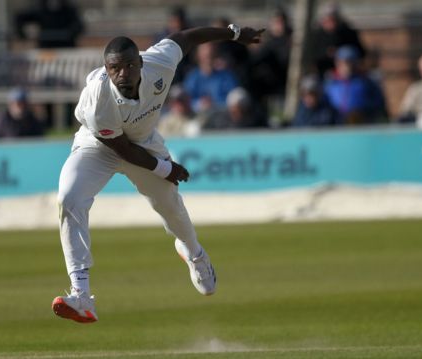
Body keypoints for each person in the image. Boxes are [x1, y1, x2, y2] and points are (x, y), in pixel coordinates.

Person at [52, 24, 264, 323]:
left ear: (140, 62)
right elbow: (120, 148)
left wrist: (233, 33)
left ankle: (195, 254)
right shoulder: (98, 98)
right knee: (68, 198)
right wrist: (166, 167)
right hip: (98, 145)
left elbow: (188, 38)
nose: (123, 74)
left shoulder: (159, 61)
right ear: (106, 69)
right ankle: (82, 295)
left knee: (170, 206)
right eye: (114, 68)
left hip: (144, 142)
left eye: (128, 65)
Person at [324, 45, 386, 124]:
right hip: (337, 126)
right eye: (343, 62)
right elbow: (324, 105)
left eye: (351, 62)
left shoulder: (366, 82)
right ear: (337, 63)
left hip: (362, 124)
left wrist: (362, 110)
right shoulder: (330, 83)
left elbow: (378, 103)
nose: (347, 66)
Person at [307, 2, 366, 78]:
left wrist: (343, 54)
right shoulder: (317, 35)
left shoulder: (348, 33)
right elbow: (311, 55)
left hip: (347, 75)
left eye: (333, 20)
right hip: (322, 72)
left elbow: (361, 52)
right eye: (327, 20)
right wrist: (326, 53)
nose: (330, 23)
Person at [183, 42, 239, 114]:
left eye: (211, 52)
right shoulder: (192, 77)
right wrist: (200, 104)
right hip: (197, 117)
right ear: (198, 54)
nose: (208, 52)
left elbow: (234, 100)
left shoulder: (227, 76)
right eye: (204, 50)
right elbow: (186, 101)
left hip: (223, 116)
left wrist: (214, 105)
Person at [15, 0, 84, 49]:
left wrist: (70, 33)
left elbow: (79, 26)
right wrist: (22, 35)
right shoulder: (40, 9)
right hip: (46, 49)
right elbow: (20, 17)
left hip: (66, 48)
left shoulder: (69, 9)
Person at [203, 87, 267, 130]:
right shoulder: (219, 122)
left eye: (240, 108)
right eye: (233, 108)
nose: (236, 112)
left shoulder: (256, 121)